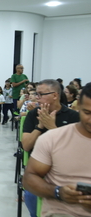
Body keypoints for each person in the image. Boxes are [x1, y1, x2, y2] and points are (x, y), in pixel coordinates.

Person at [23, 82, 91, 217]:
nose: (37, 98)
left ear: (55, 95)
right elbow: (26, 147)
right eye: (87, 112)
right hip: (61, 209)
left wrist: (52, 126)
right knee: (31, 195)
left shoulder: (71, 116)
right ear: (81, 107)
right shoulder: (36, 118)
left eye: (40, 94)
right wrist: (41, 127)